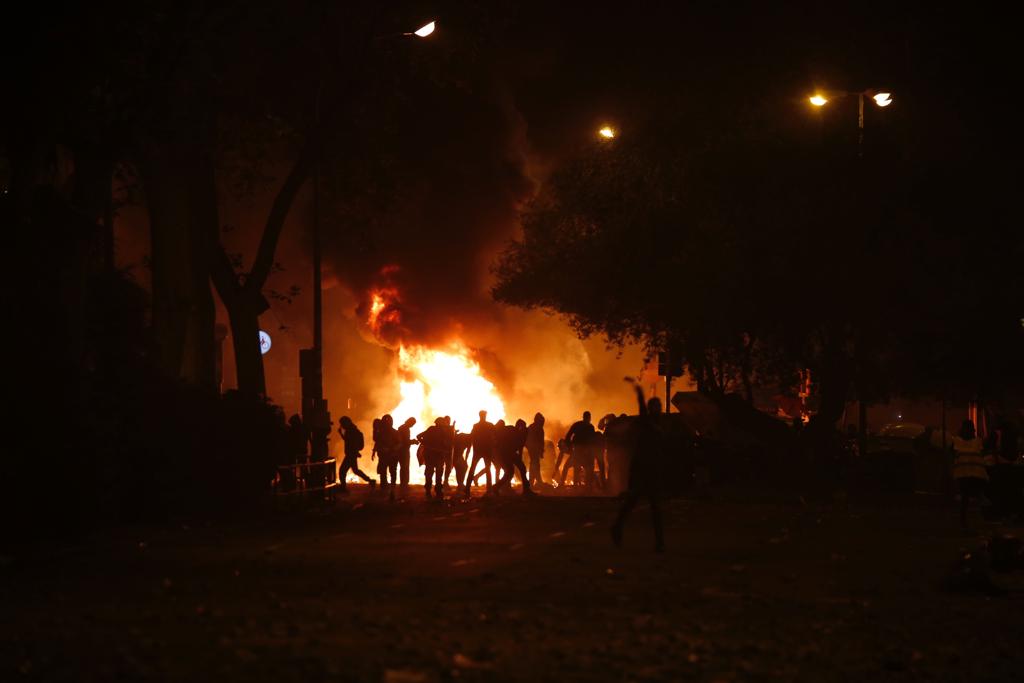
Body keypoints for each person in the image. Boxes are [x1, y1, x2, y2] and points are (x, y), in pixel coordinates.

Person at [612, 380, 666, 552]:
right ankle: (617, 527)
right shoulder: (647, 422)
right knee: (632, 503)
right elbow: (642, 408)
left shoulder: (660, 425)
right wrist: (640, 392)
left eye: (659, 406)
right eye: (655, 406)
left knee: (655, 508)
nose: (658, 408)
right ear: (651, 409)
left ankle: (659, 543)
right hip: (642, 470)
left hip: (653, 471)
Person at [952, 419, 989, 530]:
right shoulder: (977, 442)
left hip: (963, 474)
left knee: (965, 499)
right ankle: (974, 521)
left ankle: (966, 521)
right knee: (974, 500)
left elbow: (953, 455)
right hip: (976, 475)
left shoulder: (956, 441)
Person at [494, 419, 534, 496]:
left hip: (511, 453)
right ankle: (496, 487)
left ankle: (526, 490)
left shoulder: (522, 433)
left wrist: (520, 459)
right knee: (510, 472)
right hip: (505, 453)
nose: (522, 429)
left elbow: (520, 447)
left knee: (521, 469)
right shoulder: (511, 430)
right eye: (521, 427)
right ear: (518, 426)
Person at [337, 416, 375, 492]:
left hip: (350, 454)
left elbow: (350, 442)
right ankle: (370, 481)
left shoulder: (351, 431)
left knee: (342, 471)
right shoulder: (352, 430)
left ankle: (343, 488)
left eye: (342, 423)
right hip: (351, 454)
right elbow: (348, 441)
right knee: (355, 470)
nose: (341, 425)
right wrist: (341, 434)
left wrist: (341, 434)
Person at [561, 411, 597, 488]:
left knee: (570, 467)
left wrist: (570, 447)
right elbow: (593, 441)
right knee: (585, 469)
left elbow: (568, 436)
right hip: (582, 452)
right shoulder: (590, 427)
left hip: (579, 451)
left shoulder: (578, 425)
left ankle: (566, 485)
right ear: (589, 418)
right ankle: (585, 487)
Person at [465, 410, 495, 496]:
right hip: (486, 450)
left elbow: (471, 437)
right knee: (488, 469)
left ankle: (467, 488)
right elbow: (494, 437)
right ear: (485, 416)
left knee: (473, 469)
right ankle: (489, 489)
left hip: (478, 450)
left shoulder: (476, 426)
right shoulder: (489, 425)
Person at [418, 418, 449, 498]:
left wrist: (425, 443)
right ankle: (437, 491)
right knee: (437, 473)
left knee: (430, 473)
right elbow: (447, 443)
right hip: (436, 456)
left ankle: (429, 491)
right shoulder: (443, 431)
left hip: (430, 455)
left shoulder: (431, 429)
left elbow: (419, 436)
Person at [396, 417, 417, 489]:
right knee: (404, 467)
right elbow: (404, 441)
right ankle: (404, 483)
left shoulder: (403, 428)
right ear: (410, 422)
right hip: (403, 451)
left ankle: (404, 482)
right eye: (412, 424)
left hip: (403, 450)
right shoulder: (404, 428)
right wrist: (413, 441)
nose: (413, 425)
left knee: (404, 467)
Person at [526, 413, 546, 487]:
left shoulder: (533, 427)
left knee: (534, 464)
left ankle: (532, 482)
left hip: (534, 449)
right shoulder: (534, 428)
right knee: (535, 464)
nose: (542, 423)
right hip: (533, 449)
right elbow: (539, 440)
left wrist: (540, 450)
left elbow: (541, 441)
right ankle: (536, 482)